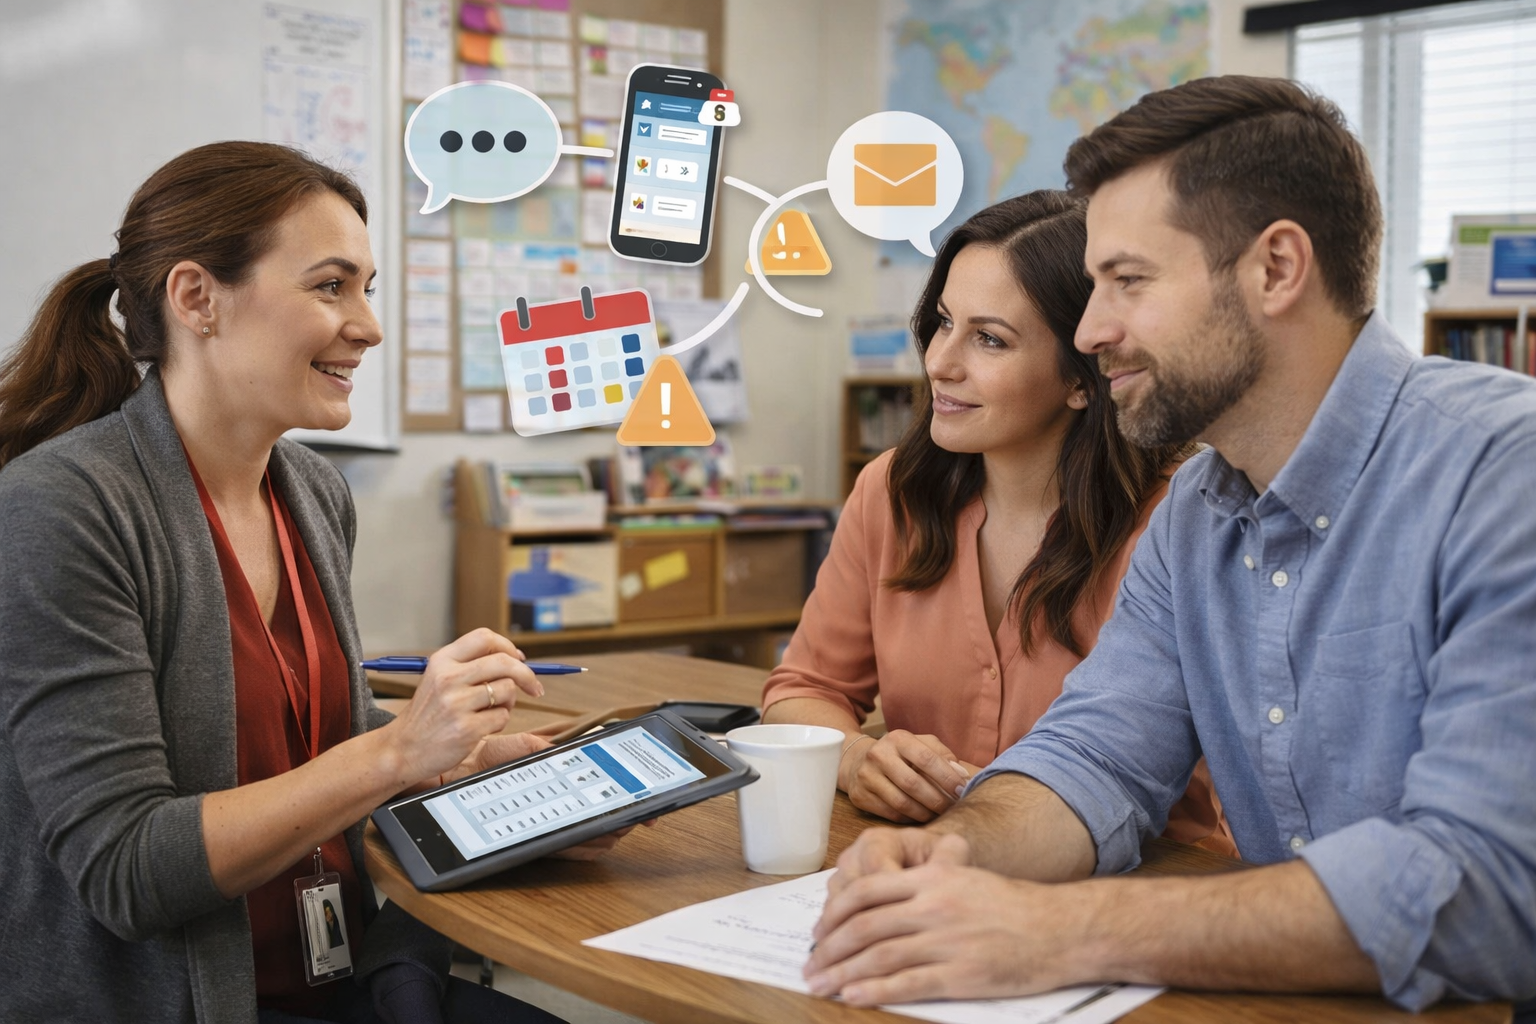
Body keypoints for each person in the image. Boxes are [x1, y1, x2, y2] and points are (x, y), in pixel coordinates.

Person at [803, 76, 1536, 1012]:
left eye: (1129, 281)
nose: (1091, 329)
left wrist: (1053, 931)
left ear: (1276, 269)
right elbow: (1096, 759)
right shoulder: (1197, 512)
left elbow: (1488, 885)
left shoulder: (1503, 470)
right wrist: (949, 854)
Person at [0, 141, 617, 1024]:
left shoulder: (312, 491)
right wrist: (396, 754)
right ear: (196, 298)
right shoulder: (62, 508)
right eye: (331, 287)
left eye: (368, 289)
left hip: (349, 971)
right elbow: (127, 869)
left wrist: (457, 764)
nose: (367, 326)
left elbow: (302, 740)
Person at [760, 191, 1232, 854]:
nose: (940, 363)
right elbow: (804, 689)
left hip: (1141, 883)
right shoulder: (891, 494)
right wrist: (854, 758)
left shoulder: (1183, 527)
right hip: (934, 862)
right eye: (943, 322)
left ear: (1083, 377)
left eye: (989, 339)